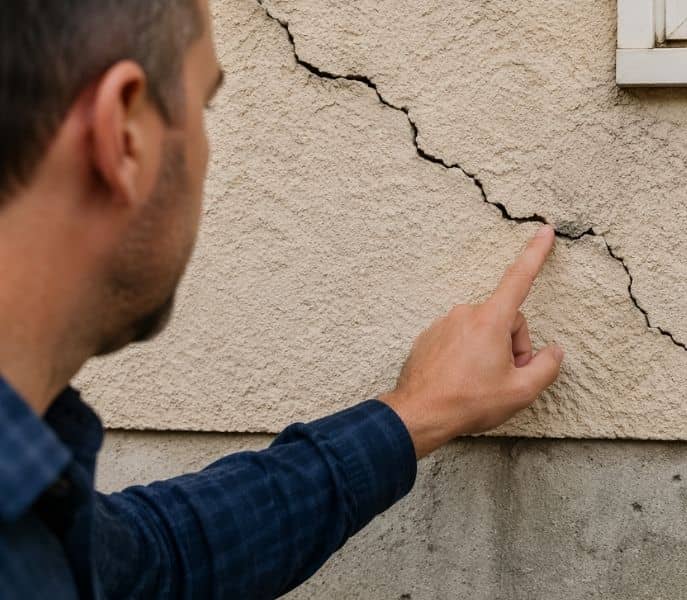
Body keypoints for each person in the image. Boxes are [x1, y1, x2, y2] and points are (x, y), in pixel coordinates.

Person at [0, 0, 565, 597]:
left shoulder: (31, 518)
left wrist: (414, 414)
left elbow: (154, 566)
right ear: (124, 136)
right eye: (203, 104)